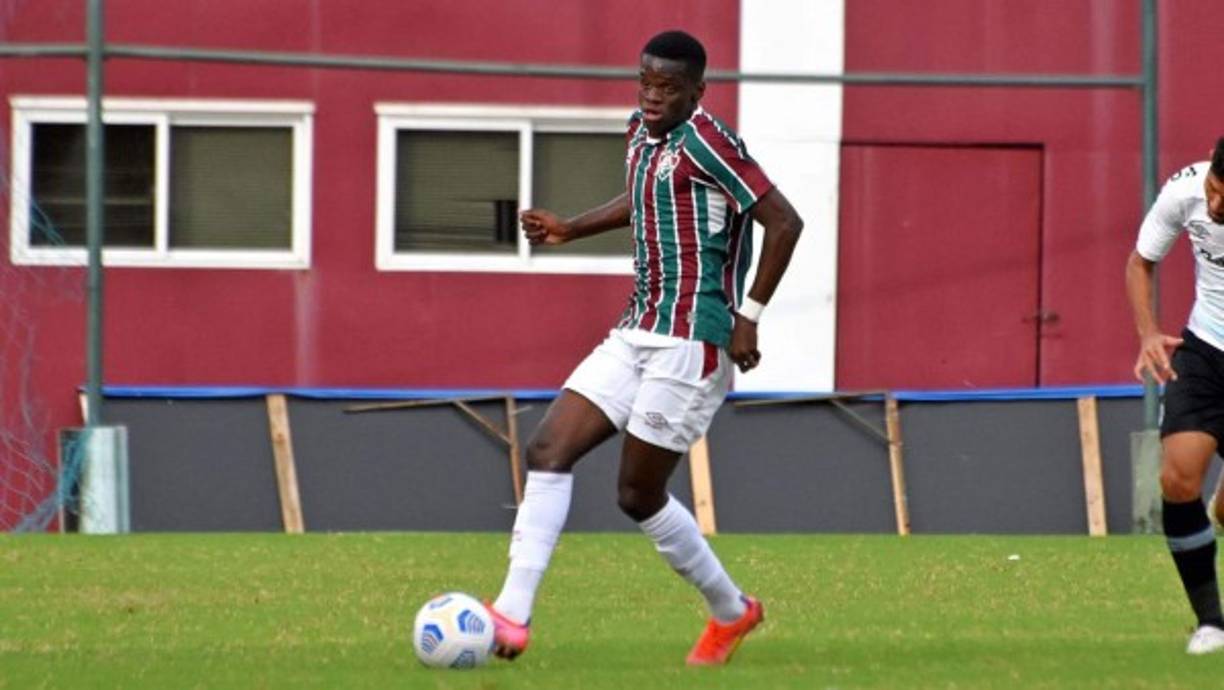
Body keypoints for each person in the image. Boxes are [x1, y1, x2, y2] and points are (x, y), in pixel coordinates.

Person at [484, 30, 803, 665]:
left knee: (637, 495)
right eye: (646, 83)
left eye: (668, 88)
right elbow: (642, 201)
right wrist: (571, 229)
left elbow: (785, 222)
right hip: (636, 328)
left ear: (697, 92)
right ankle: (510, 616)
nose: (652, 97)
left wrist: (750, 317)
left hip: (693, 339)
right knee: (548, 448)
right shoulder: (640, 131)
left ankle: (732, 612)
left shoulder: (712, 143)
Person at [1127, 137, 1224, 655]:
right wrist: (1148, 332)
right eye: (1215, 190)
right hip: (1204, 349)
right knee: (1177, 476)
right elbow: (1140, 262)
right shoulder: (1184, 190)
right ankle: (1211, 622)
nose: (1215, 206)